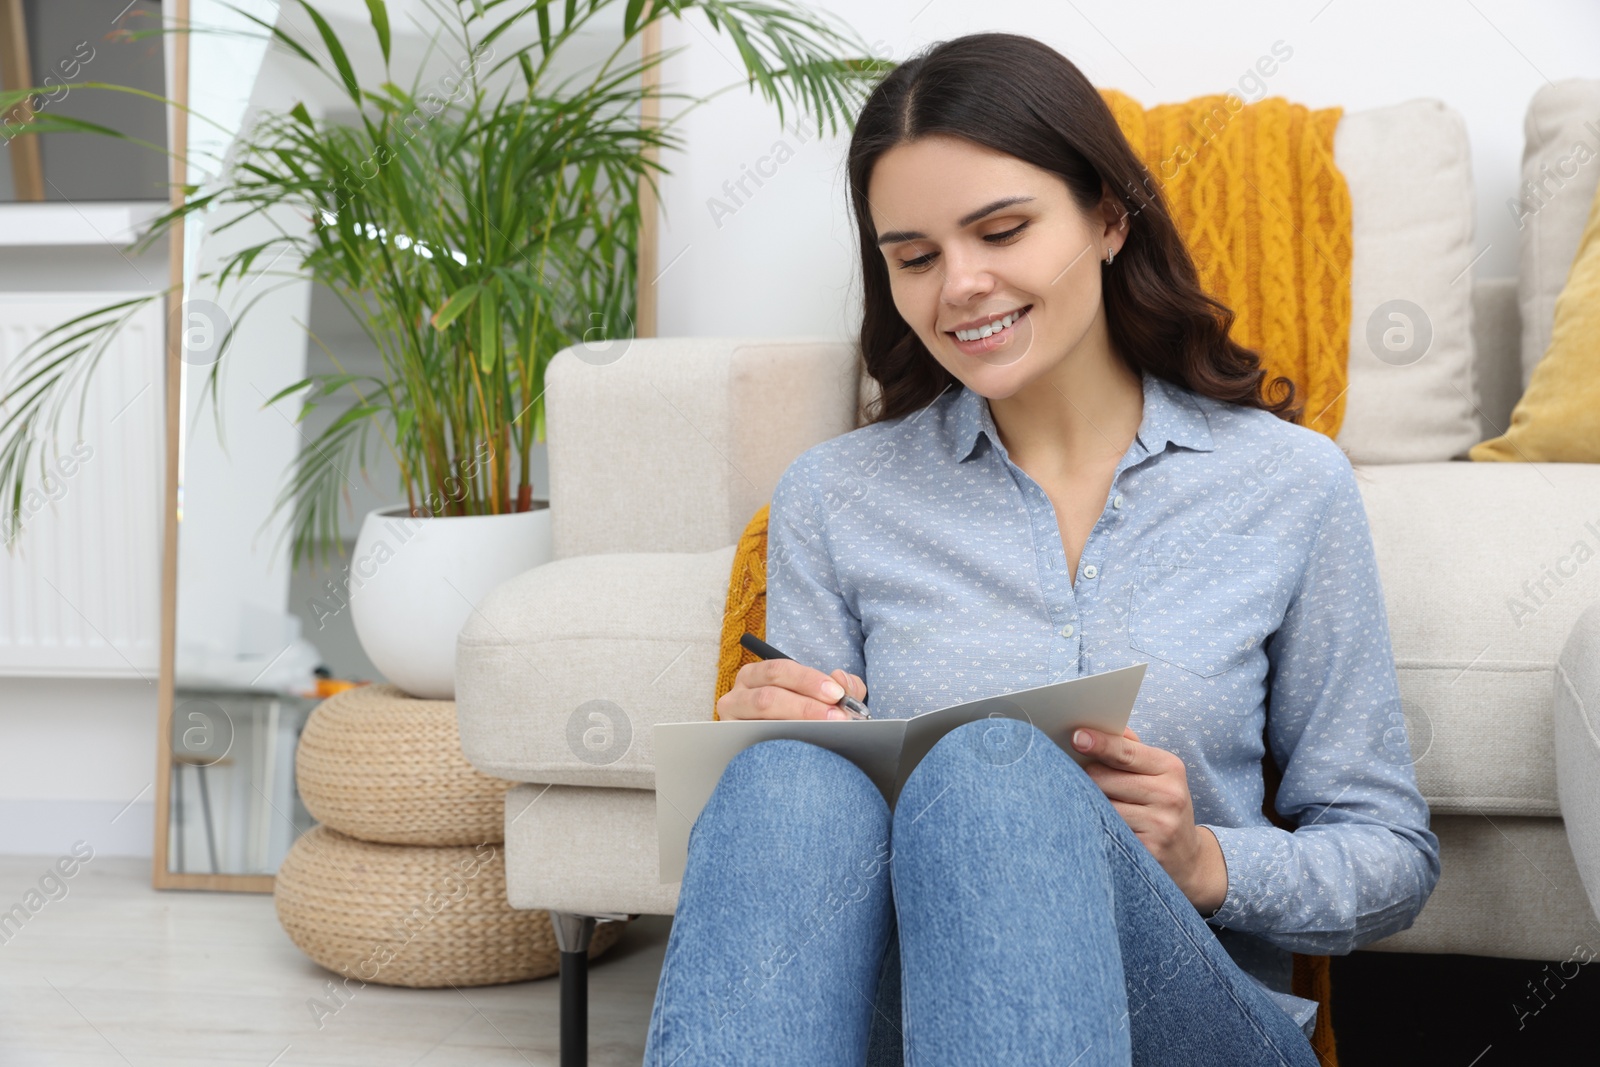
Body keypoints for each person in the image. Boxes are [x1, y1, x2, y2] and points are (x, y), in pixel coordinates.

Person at [643, 30, 1439, 1067]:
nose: (960, 285)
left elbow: (1389, 857)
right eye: (914, 258)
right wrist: (764, 746)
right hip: (910, 1021)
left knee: (995, 769)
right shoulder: (836, 497)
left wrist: (1205, 860)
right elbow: (806, 870)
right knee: (785, 781)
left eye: (1002, 230)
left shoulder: (1286, 484)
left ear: (1109, 217)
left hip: (1187, 1021)